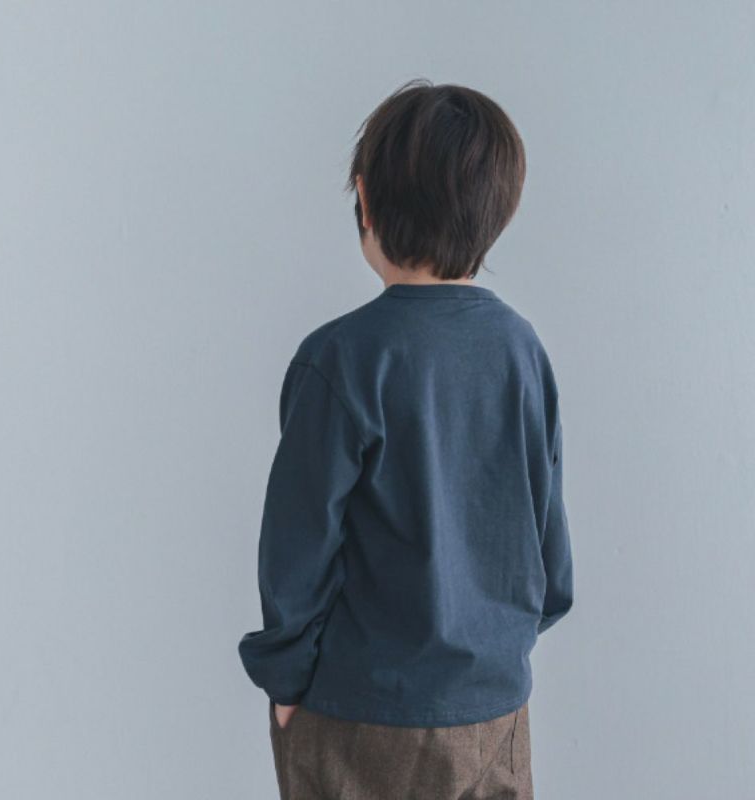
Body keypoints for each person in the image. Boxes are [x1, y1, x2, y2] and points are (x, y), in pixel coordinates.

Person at [238, 78, 574, 800]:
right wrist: (495, 653)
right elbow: (547, 542)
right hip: (494, 710)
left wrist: (286, 675)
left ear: (365, 199)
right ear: (499, 212)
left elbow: (297, 545)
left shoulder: (342, 358)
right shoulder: (521, 351)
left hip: (362, 710)